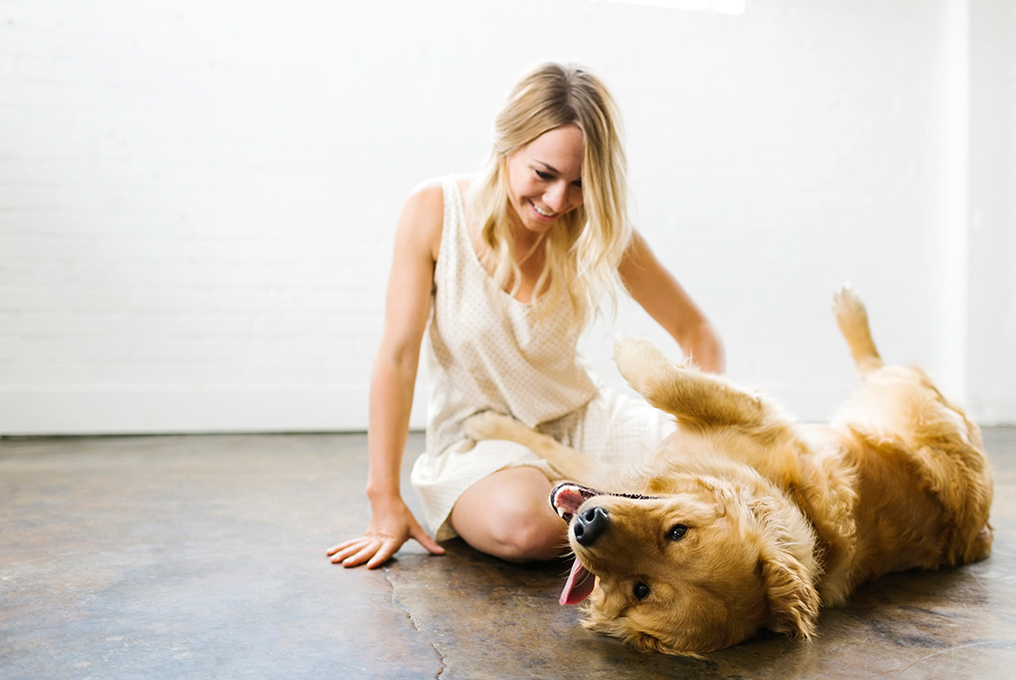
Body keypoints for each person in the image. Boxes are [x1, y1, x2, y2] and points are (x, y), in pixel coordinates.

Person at [327, 63, 724, 570]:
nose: (558, 201)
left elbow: (697, 332)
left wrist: (692, 429)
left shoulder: (595, 224)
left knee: (732, 473)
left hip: (582, 422)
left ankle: (615, 505)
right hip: (479, 441)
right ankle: (637, 507)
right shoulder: (434, 210)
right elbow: (397, 358)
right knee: (526, 527)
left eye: (579, 183)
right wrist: (383, 497)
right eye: (544, 174)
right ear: (507, 146)